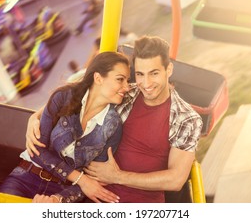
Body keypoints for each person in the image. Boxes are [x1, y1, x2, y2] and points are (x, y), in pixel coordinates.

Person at [26, 35, 203, 203]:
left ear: (169, 69)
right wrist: (34, 118)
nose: (146, 83)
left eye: (154, 73)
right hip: (94, 194)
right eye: (140, 74)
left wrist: (118, 176)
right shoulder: (125, 93)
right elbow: (73, 96)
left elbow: (175, 180)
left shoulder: (186, 118)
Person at [0, 52, 130, 203]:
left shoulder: (114, 126)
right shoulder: (63, 97)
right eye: (120, 79)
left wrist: (59, 199)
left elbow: (94, 180)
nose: (126, 87)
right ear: (98, 78)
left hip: (62, 190)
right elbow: (36, 151)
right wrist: (81, 179)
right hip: (26, 177)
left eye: (127, 80)